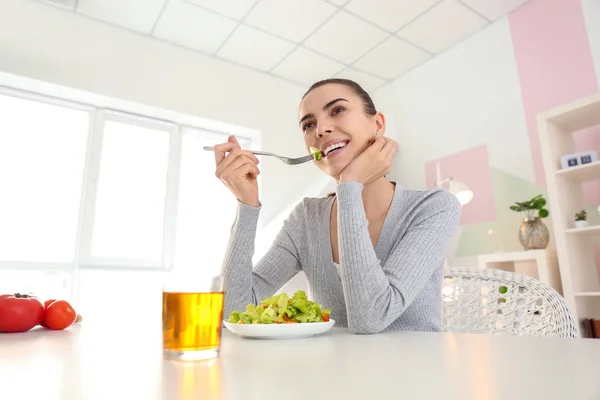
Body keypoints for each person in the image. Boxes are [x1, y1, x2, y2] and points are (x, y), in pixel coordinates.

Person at [211, 78, 461, 334]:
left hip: (417, 371)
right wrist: (247, 204)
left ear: (377, 125)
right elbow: (233, 311)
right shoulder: (306, 219)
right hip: (333, 372)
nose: (320, 129)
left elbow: (370, 318)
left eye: (337, 110)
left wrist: (350, 185)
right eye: (309, 124)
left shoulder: (434, 207)